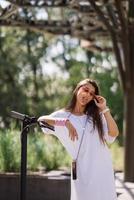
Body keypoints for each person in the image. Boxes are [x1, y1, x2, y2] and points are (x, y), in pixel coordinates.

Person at [38, 78, 119, 200]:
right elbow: (41, 121)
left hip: (102, 169)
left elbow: (114, 133)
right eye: (85, 89)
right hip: (81, 170)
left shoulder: (96, 116)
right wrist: (64, 122)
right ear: (77, 89)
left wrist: (104, 109)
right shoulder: (63, 115)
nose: (87, 94)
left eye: (92, 94)